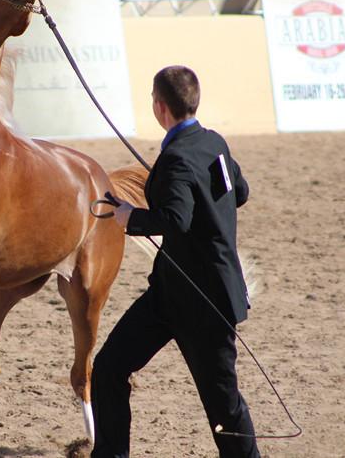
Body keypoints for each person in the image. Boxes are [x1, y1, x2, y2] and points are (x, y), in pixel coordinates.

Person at [90, 65, 259, 458]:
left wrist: (129, 216)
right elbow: (240, 192)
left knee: (224, 407)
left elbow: (174, 220)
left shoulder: (178, 158)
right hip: (169, 293)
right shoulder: (213, 143)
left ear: (160, 107)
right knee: (109, 368)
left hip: (205, 302)